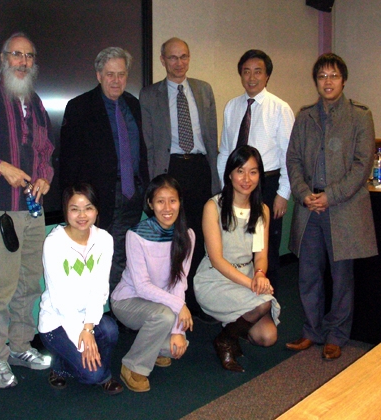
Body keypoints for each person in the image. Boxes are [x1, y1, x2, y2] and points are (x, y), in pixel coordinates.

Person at [0, 32, 54, 388]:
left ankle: (20, 346)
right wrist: (2, 167)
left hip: (33, 211)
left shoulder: (34, 101)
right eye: (16, 54)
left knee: (30, 284)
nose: (22, 61)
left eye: (29, 56)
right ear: (3, 58)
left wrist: (45, 177)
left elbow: (46, 149)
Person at [286, 53, 377, 360]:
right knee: (308, 273)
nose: (328, 81)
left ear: (344, 79)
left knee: (342, 277)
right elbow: (294, 160)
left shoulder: (360, 116)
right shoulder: (305, 116)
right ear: (316, 81)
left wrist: (330, 195)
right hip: (309, 208)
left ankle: (337, 335)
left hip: (343, 208)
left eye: (334, 75)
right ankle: (312, 331)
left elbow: (362, 165)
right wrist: (303, 193)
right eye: (322, 76)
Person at [139, 37, 220, 323]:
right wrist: (154, 184)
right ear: (162, 60)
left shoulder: (203, 90)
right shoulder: (149, 95)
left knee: (199, 234)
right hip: (169, 169)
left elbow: (212, 138)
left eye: (184, 56)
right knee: (173, 237)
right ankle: (173, 299)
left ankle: (196, 297)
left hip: (200, 168)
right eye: (172, 57)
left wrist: (216, 178)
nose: (179, 63)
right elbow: (149, 144)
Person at [59, 46, 149, 295]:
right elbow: (68, 161)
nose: (116, 80)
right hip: (99, 199)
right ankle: (97, 320)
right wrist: (70, 204)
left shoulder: (133, 105)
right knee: (96, 259)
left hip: (132, 195)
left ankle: (121, 311)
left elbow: (141, 151)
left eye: (121, 74)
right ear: (98, 75)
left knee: (126, 257)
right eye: (110, 74)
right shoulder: (79, 107)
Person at [195, 145, 280, 373]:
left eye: (253, 172)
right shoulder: (213, 206)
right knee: (262, 301)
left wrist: (260, 274)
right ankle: (226, 341)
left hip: (247, 276)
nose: (246, 178)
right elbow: (217, 259)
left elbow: (261, 255)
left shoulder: (262, 210)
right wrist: (252, 284)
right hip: (215, 279)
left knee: (268, 336)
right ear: (230, 173)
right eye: (240, 171)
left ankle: (227, 334)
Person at [217, 50, 295, 297]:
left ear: (267, 76)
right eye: (246, 71)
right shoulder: (232, 106)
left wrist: (283, 194)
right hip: (236, 186)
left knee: (266, 248)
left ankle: (267, 304)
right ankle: (241, 302)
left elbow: (289, 157)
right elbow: (225, 151)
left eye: (258, 71)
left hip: (268, 185)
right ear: (241, 74)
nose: (251, 77)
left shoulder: (280, 109)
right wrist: (224, 189)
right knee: (237, 244)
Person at [111, 175, 195, 392]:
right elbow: (142, 287)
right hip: (128, 300)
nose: (167, 208)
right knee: (163, 316)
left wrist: (178, 330)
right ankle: (132, 366)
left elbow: (179, 282)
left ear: (180, 202)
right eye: (160, 201)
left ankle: (156, 349)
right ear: (150, 204)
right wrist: (179, 308)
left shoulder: (188, 235)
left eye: (173, 200)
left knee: (178, 345)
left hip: (162, 304)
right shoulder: (136, 235)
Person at [38, 183, 123, 395]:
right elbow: (59, 300)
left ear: (96, 210)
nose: (82, 215)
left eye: (88, 208)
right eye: (75, 208)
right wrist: (81, 334)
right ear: (66, 211)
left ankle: (69, 364)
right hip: (56, 322)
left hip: (86, 319)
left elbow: (100, 288)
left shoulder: (104, 239)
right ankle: (79, 369)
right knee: (93, 376)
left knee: (111, 330)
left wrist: (87, 328)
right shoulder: (54, 242)